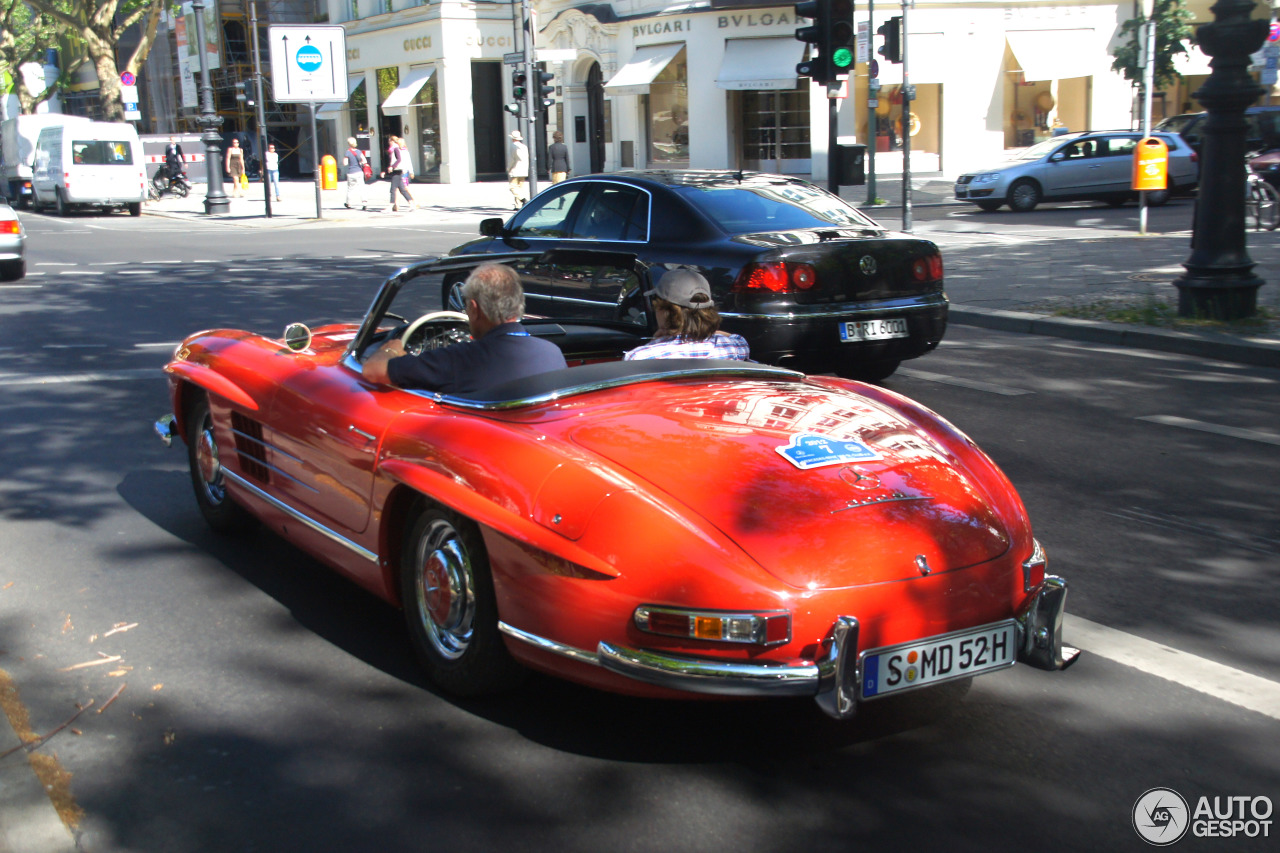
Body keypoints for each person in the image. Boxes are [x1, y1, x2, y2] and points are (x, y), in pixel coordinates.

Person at [363, 263, 567, 396]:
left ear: (475, 309)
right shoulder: (552, 352)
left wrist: (391, 349)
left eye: (467, 307)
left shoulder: (458, 360)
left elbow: (372, 371)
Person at [624, 269, 750, 361]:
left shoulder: (641, 357)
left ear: (665, 310)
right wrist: (706, 330)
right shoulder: (732, 347)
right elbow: (738, 338)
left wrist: (654, 342)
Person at [385, 135, 414, 212]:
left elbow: (399, 160)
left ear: (393, 141)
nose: (389, 143)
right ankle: (411, 204)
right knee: (402, 189)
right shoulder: (395, 149)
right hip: (397, 170)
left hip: (397, 170)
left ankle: (390, 206)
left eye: (389, 141)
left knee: (393, 189)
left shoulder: (395, 149)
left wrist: (392, 167)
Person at [343, 137, 367, 210]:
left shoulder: (347, 152)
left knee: (350, 189)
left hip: (351, 173)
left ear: (348, 144)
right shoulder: (359, 152)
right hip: (359, 172)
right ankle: (364, 203)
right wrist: (360, 163)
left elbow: (345, 163)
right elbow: (365, 161)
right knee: (362, 188)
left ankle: (349, 203)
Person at [507, 130, 529, 209]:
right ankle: (518, 205)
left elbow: (511, 159)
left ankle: (523, 200)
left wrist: (508, 168)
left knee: (513, 187)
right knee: (520, 187)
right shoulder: (524, 146)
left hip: (515, 169)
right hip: (523, 169)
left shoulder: (513, 146)